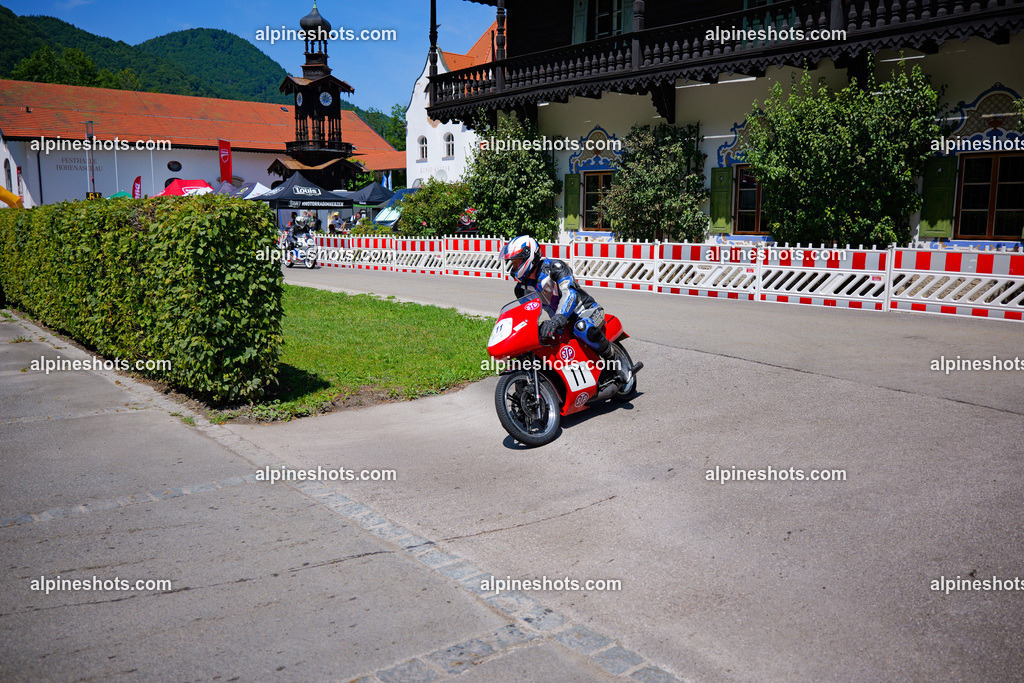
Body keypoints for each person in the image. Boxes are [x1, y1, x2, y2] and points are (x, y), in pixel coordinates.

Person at [499, 235, 627, 383]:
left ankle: (616, 362)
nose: (514, 267)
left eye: (517, 261)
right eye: (512, 263)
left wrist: (556, 320)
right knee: (544, 342)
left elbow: (570, 294)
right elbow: (526, 315)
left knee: (582, 327)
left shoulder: (555, 268)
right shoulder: (521, 289)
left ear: (529, 256)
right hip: (561, 322)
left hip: (587, 311)